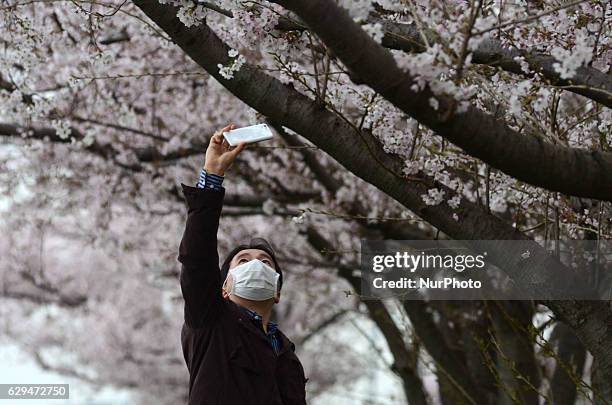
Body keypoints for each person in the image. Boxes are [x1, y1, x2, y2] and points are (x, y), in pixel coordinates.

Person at [177, 124, 308, 405]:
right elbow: (197, 260)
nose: (256, 265)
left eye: (265, 262)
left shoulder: (286, 352)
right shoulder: (210, 322)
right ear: (224, 287)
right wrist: (212, 177)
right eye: (244, 261)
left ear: (277, 291)